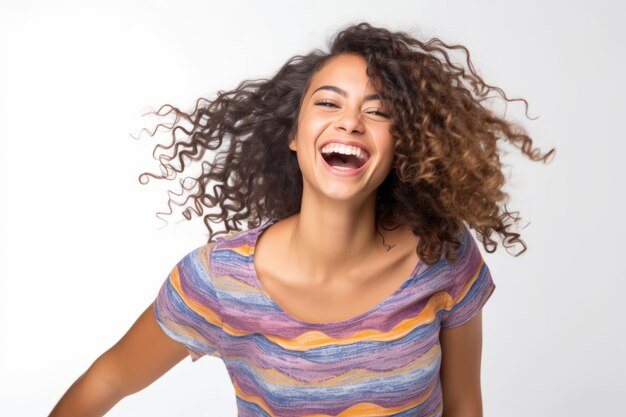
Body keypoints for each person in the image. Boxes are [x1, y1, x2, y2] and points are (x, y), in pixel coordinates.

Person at [49, 22, 554, 417]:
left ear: (403, 146)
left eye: (377, 112)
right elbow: (110, 379)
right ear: (293, 133)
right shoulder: (218, 280)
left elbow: (465, 405)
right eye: (329, 102)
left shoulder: (441, 252)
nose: (350, 121)